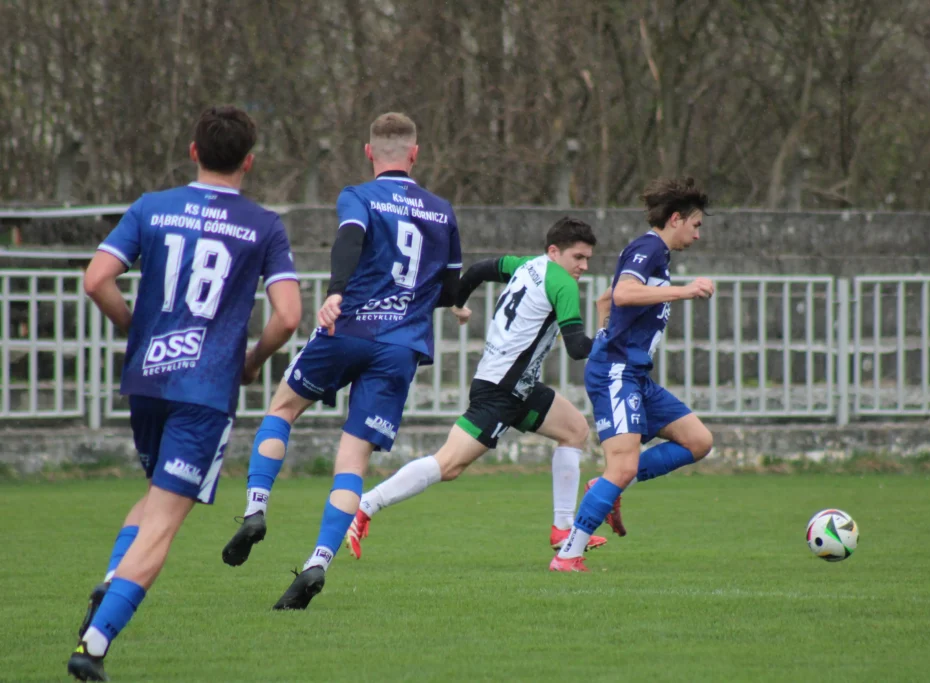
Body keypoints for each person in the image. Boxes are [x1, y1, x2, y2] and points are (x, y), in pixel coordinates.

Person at [67, 106, 302, 681]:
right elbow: (288, 317)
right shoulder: (263, 225)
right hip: (205, 388)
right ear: (249, 161)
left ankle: (111, 582)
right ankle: (94, 645)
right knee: (166, 522)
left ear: (194, 151)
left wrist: (136, 330)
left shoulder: (151, 206)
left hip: (148, 381)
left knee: (156, 498)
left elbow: (96, 280)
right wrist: (252, 362)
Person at [220, 112, 462, 610]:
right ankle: (318, 561)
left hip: (349, 328)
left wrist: (335, 292)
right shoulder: (442, 212)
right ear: (415, 154)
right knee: (352, 462)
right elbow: (449, 287)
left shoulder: (359, 195)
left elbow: (349, 239)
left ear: (369, 152)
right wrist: (453, 301)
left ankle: (256, 508)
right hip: (400, 348)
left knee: (283, 407)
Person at [346, 217, 611, 559]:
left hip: (515, 385)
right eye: (578, 257)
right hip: (501, 390)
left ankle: (563, 528)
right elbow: (577, 348)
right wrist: (611, 335)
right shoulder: (562, 283)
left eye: (587, 259)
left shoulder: (526, 265)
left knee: (575, 430)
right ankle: (365, 505)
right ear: (554, 251)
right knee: (448, 465)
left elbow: (478, 271)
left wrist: (458, 302)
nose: (584, 266)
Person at [550, 177, 716, 573]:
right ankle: (568, 555)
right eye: (695, 225)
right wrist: (686, 290)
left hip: (635, 372)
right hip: (617, 372)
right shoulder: (649, 247)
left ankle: (606, 486)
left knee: (698, 441)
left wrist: (606, 328)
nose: (697, 235)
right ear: (676, 219)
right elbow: (624, 293)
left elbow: (608, 298)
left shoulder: (656, 255)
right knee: (622, 466)